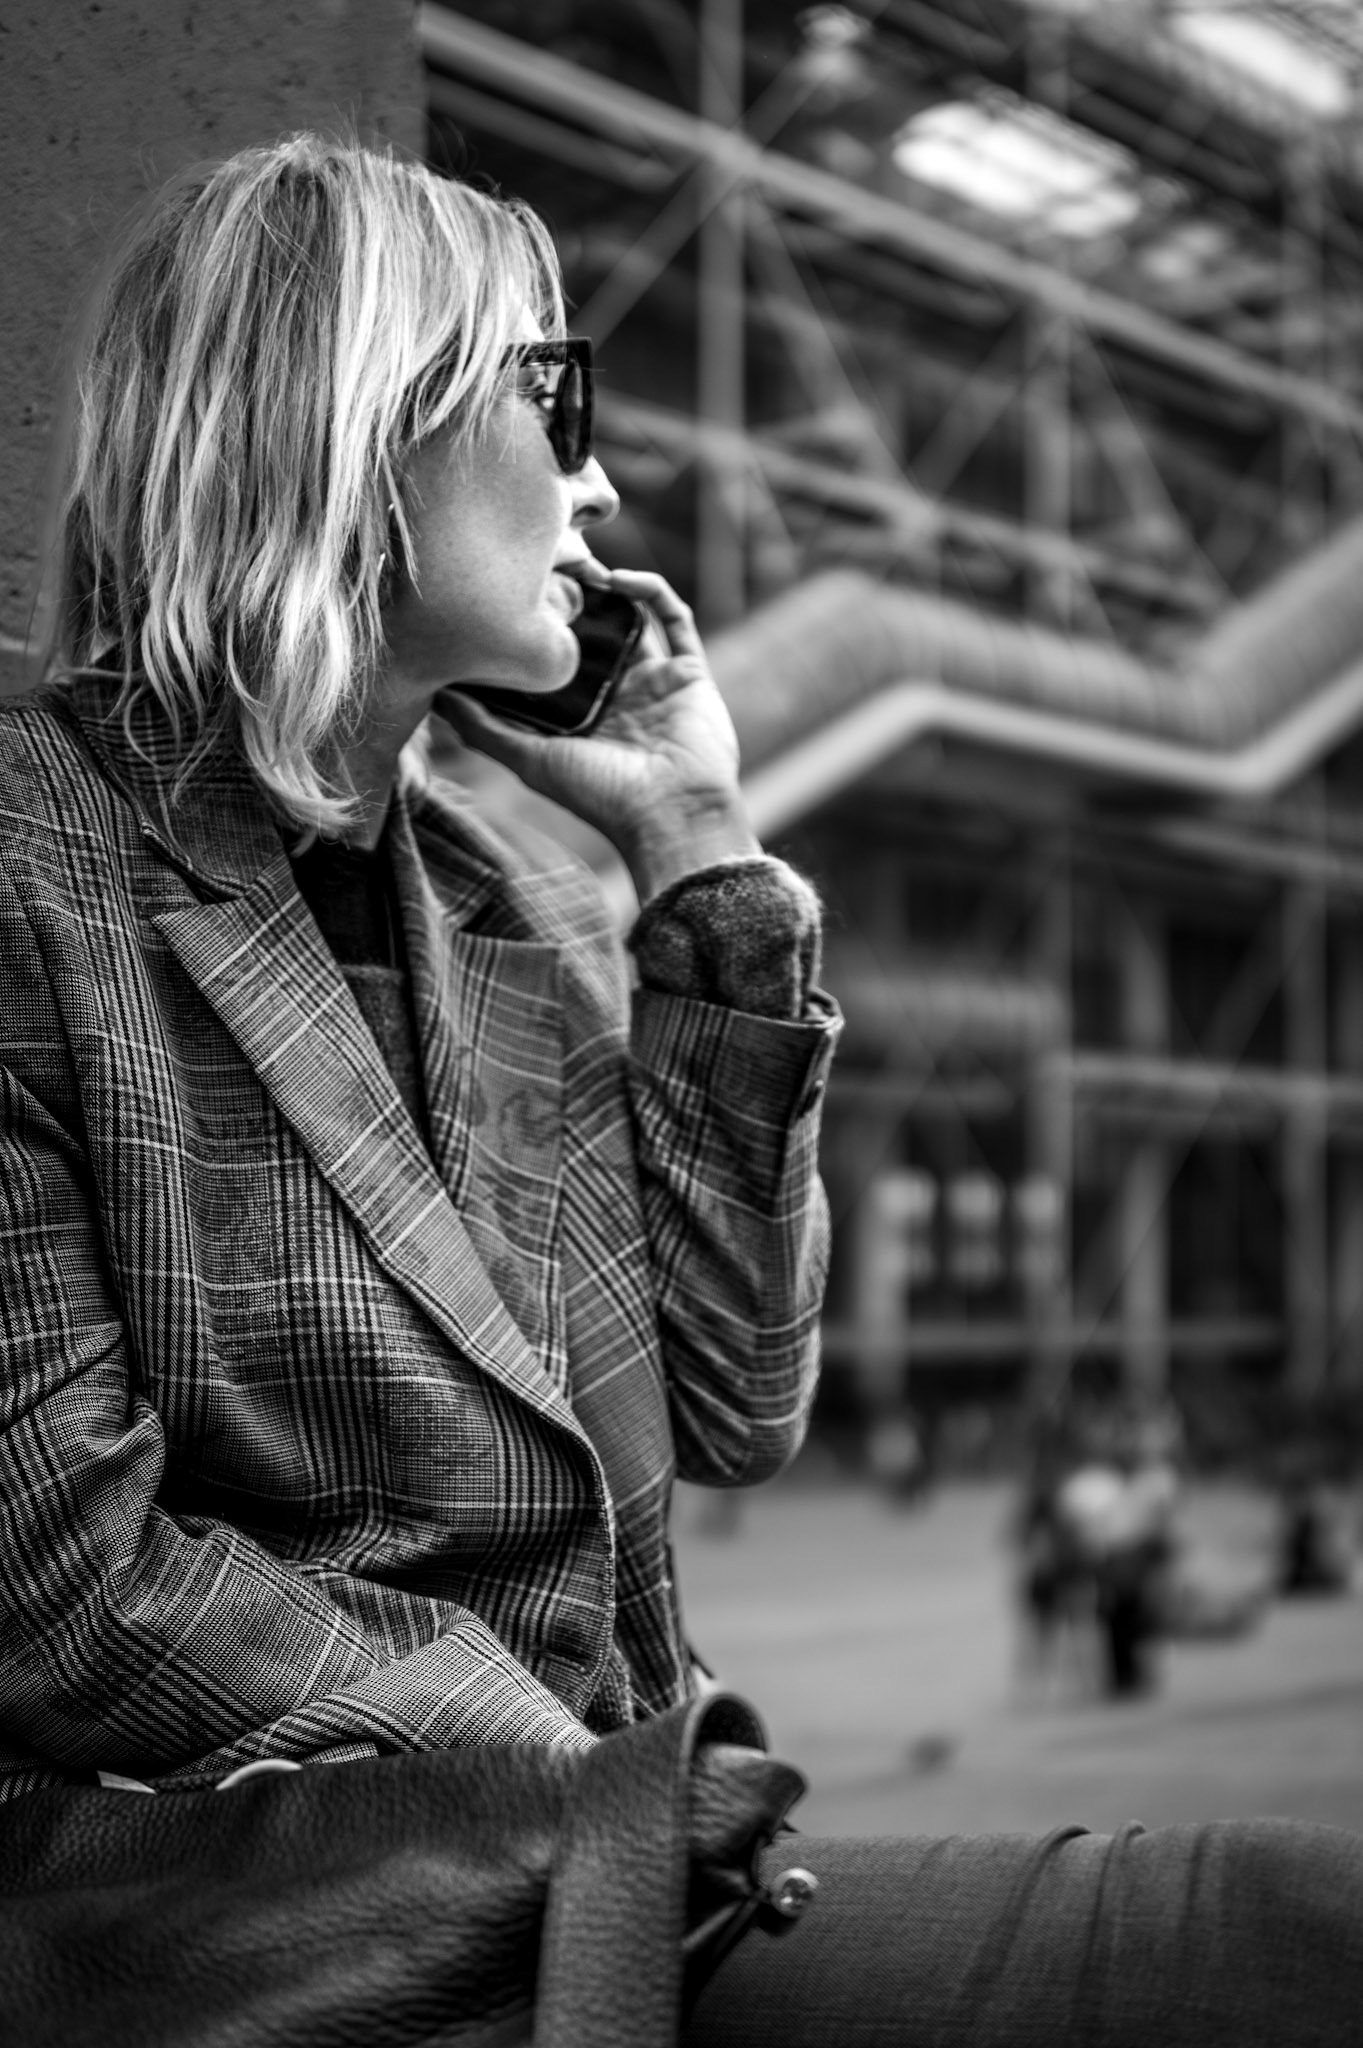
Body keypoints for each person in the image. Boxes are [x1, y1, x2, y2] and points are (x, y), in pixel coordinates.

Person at [0, 134, 1358, 2046]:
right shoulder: (31, 874)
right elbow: (68, 1585)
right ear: (349, 410)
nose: (605, 477)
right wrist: (596, 1780)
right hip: (316, 1936)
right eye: (555, 396)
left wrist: (698, 851)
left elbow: (734, 1403)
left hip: (620, 1891)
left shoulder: (503, 905)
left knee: (1305, 1928)